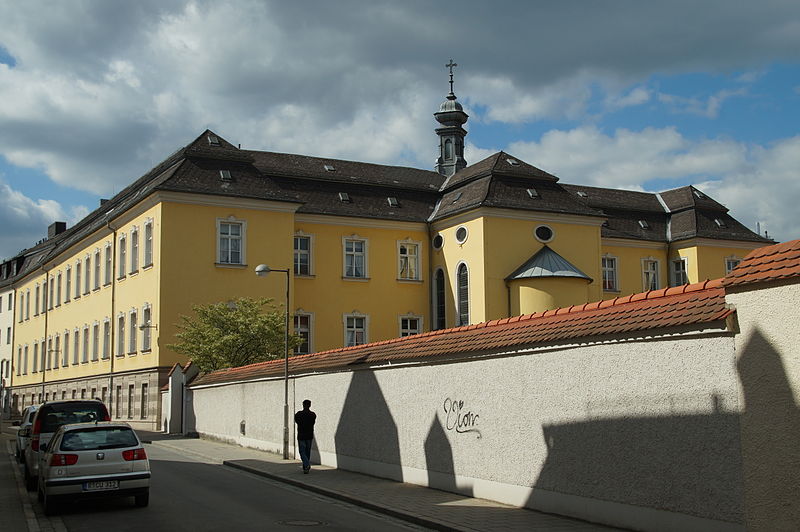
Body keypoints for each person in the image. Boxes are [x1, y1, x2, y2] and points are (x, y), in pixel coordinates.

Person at [294, 399, 316, 473]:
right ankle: (305, 468)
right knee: (307, 452)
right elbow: (313, 423)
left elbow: (296, 421)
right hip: (309, 435)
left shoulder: (298, 414)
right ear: (310, 405)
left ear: (303, 405)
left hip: (301, 435)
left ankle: (306, 465)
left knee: (302, 452)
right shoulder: (312, 414)